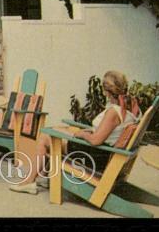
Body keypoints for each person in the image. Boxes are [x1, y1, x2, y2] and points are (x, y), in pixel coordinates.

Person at [9, 70, 141, 195]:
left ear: (106, 91)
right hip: (102, 153)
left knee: (45, 138)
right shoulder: (129, 110)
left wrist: (82, 134)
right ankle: (43, 177)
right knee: (58, 129)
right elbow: (107, 133)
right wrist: (88, 131)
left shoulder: (113, 112)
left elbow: (96, 140)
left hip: (95, 157)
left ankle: (29, 181)